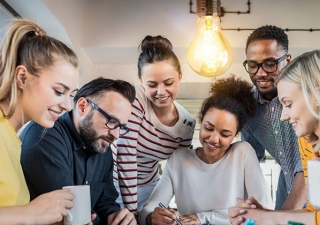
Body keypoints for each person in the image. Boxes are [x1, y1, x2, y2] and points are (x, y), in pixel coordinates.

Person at [139, 76, 273, 225]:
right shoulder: (179, 159)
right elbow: (149, 208)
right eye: (208, 128)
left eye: (225, 134)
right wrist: (152, 217)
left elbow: (263, 211)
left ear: (235, 135)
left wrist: (204, 217)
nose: (214, 139)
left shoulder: (242, 152)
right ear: (201, 122)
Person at [20, 78, 137, 225]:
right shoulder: (44, 135)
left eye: (122, 126)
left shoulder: (102, 147)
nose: (116, 135)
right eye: (112, 121)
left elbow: (106, 204)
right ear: (82, 107)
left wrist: (118, 218)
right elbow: (71, 215)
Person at [0, 18, 79, 224]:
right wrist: (29, 213)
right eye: (59, 91)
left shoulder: (12, 137)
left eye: (71, 94)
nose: (67, 106)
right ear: (22, 77)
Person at [228, 50, 320, 225]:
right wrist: (264, 215)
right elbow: (313, 213)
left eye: (288, 104)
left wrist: (273, 217)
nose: (283, 116)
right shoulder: (307, 142)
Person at [113, 35, 196, 213]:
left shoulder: (187, 124)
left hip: (149, 187)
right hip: (112, 182)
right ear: (142, 82)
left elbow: (179, 170)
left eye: (168, 83)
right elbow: (125, 152)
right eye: (152, 84)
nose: (161, 92)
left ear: (180, 77)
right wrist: (132, 211)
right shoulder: (136, 97)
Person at [241, 25, 308, 210]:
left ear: (287, 60)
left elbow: (306, 164)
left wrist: (282, 217)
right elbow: (249, 161)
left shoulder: (307, 97)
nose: (260, 73)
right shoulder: (249, 109)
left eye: (270, 63)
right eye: (253, 65)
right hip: (285, 194)